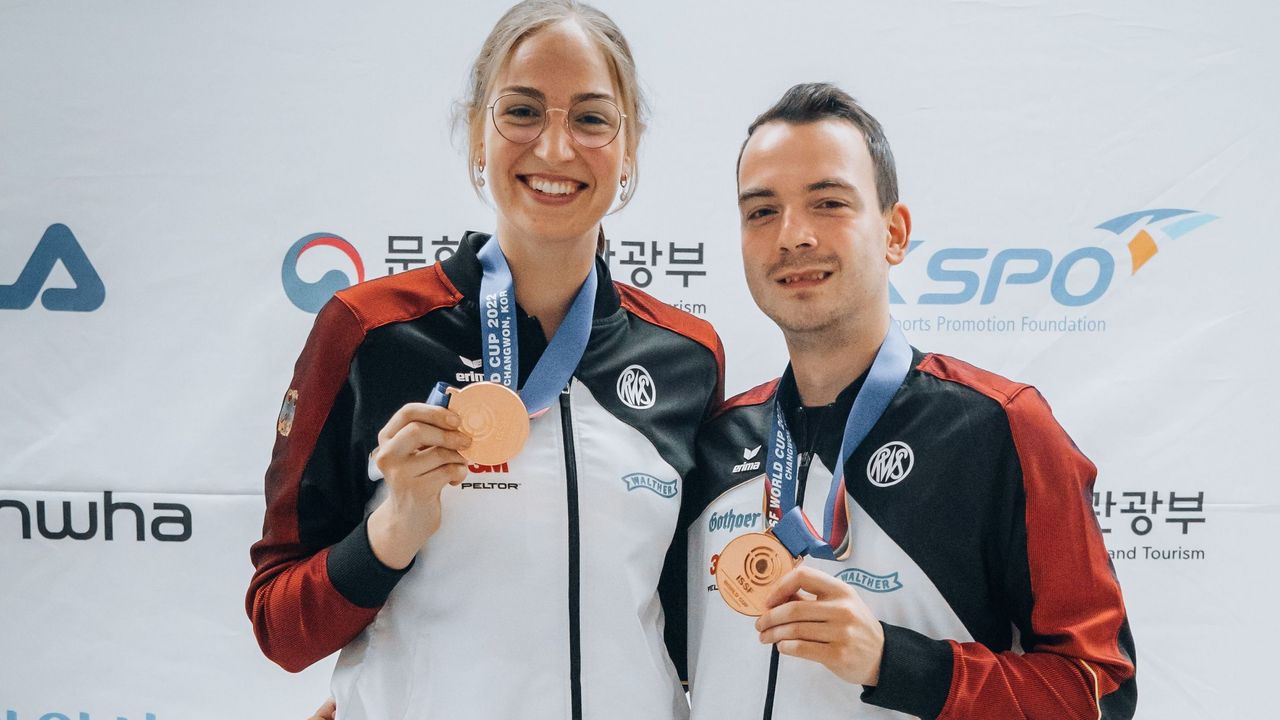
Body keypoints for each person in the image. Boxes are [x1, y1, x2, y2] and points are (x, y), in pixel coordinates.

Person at [247, 2, 722, 719]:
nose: (556, 149)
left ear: (630, 147)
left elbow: (700, 630)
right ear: (476, 132)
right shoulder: (369, 333)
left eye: (592, 119)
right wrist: (393, 528)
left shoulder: (688, 357)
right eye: (522, 111)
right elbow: (280, 629)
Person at [680, 83, 1137, 719]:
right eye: (762, 212)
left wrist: (896, 663)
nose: (792, 235)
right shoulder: (716, 439)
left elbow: (1099, 692)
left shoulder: (999, 427)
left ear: (895, 233)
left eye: (829, 203)